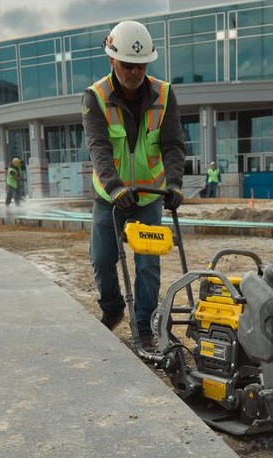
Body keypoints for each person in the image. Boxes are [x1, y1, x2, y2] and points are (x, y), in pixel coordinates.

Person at [82, 20, 185, 349]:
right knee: (102, 259)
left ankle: (144, 327)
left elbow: (172, 145)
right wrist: (114, 187)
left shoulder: (165, 94)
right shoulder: (95, 97)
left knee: (148, 263)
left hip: (149, 196)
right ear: (112, 60)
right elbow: (98, 147)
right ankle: (112, 310)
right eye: (128, 65)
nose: (134, 72)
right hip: (109, 197)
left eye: (141, 66)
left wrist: (176, 184)